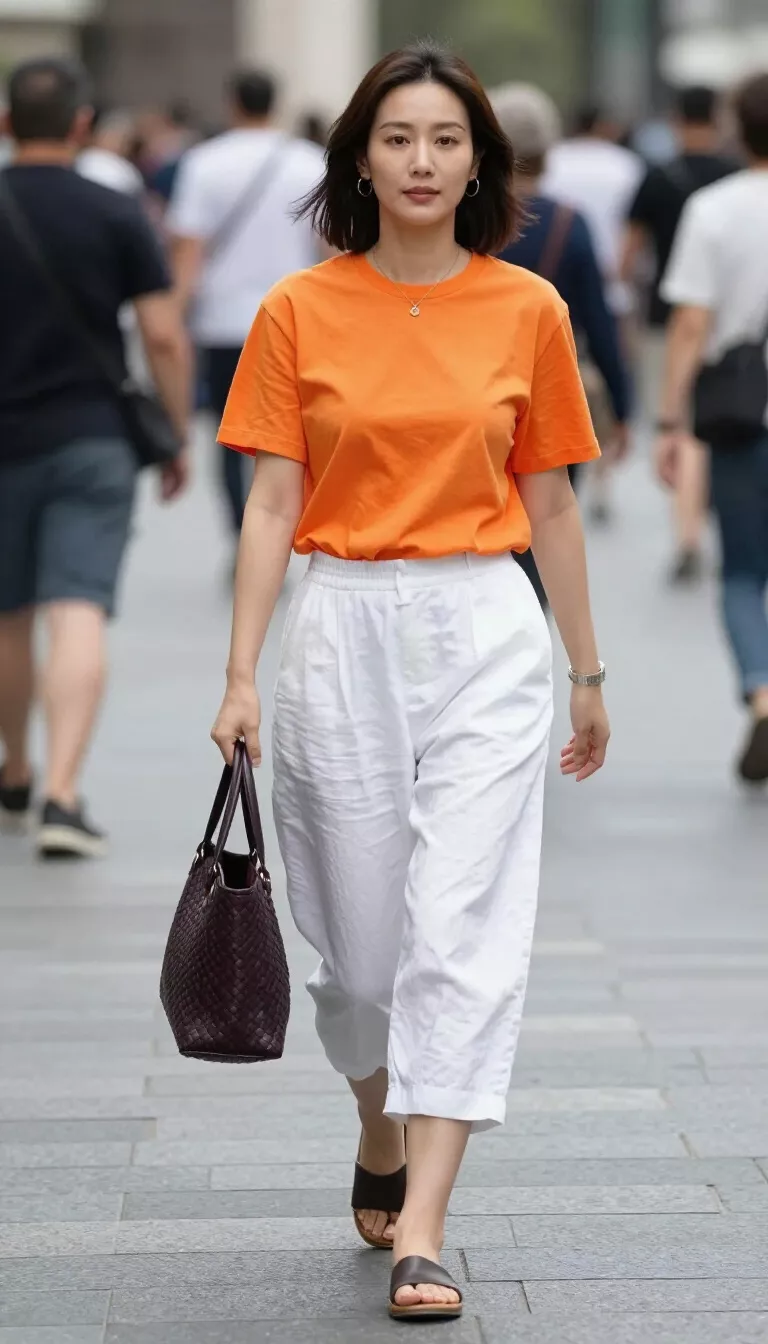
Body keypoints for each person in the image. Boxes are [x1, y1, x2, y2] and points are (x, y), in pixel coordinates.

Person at [211, 40, 610, 1321]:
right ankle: (379, 1126)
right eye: (399, 139)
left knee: (465, 928)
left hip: (486, 625)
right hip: (340, 626)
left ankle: (424, 1228)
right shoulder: (298, 309)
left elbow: (551, 504)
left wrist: (585, 671)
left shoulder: (528, 309)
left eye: (447, 140)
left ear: (480, 160)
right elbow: (272, 499)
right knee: (363, 956)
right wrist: (239, 675)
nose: (423, 162)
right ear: (361, 159)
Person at [0, 58, 191, 856]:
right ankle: (62, 794)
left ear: (8, 123)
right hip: (93, 437)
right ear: (82, 125)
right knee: (77, 604)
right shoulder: (116, 211)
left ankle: (14, 771)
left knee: (8, 616)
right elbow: (161, 333)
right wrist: (176, 433)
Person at [655, 73, 768, 784]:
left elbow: (691, 322)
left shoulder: (715, 209)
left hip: (741, 413)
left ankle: (761, 693)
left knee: (744, 571)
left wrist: (671, 418)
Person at [167, 69, 324, 541]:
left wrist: (176, 314)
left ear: (233, 102)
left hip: (223, 320)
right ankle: (287, 525)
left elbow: (188, 249)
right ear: (274, 103)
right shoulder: (311, 161)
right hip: (297, 317)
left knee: (228, 434)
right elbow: (327, 245)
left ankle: (244, 530)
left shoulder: (203, 162)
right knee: (294, 433)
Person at [623, 86, 740, 583]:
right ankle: (717, 519)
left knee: (686, 427)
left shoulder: (657, 177)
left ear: (675, 119)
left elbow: (629, 249)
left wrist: (624, 287)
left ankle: (687, 533)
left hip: (667, 314)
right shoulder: (735, 177)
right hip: (730, 319)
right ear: (716, 118)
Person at [544, 104, 643, 522]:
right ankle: (602, 477)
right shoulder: (626, 166)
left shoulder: (557, 163)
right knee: (597, 385)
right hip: (609, 284)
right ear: (604, 125)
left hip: (550, 281)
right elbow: (636, 231)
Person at [77, 103, 144, 195]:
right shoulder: (86, 158)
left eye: (123, 139)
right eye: (111, 136)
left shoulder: (126, 170)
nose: (116, 142)